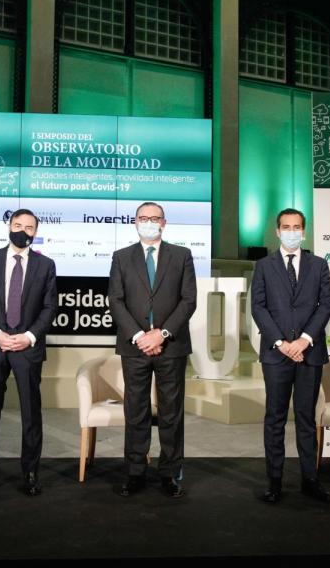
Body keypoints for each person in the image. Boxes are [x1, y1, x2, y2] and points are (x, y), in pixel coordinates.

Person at [0, 208, 57, 497]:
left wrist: (27, 337)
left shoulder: (46, 265)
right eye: (18, 225)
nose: (23, 231)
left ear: (35, 232)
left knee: (31, 413)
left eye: (29, 227)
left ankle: (30, 474)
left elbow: (49, 307)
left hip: (27, 349)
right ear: (8, 226)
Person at [108, 201, 197, 498]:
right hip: (134, 348)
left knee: (172, 413)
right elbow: (116, 301)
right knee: (136, 411)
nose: (149, 222)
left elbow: (188, 300)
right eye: (143, 218)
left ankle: (170, 474)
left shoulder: (182, 256)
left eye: (154, 218)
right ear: (135, 222)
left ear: (164, 222)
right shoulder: (121, 257)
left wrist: (162, 334)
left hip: (171, 346)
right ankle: (135, 472)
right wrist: (139, 336)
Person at [250, 208, 330, 504]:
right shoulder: (263, 266)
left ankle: (310, 479)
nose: (292, 231)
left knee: (306, 418)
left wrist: (304, 340)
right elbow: (258, 307)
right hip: (276, 354)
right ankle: (274, 481)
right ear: (277, 231)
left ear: (304, 231)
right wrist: (281, 343)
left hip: (310, 353)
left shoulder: (319, 265)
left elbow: (326, 305)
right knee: (274, 418)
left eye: (297, 227)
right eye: (286, 227)